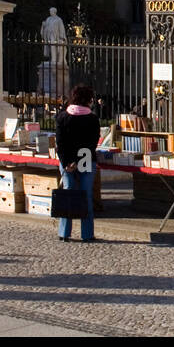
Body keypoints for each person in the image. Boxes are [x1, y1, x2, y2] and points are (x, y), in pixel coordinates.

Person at [55, 84, 101, 242]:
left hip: (66, 161)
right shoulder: (92, 118)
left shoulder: (62, 117)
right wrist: (79, 161)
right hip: (86, 158)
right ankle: (87, 234)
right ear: (88, 100)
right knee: (85, 195)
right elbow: (92, 143)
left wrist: (67, 162)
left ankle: (64, 232)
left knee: (68, 193)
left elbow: (60, 143)